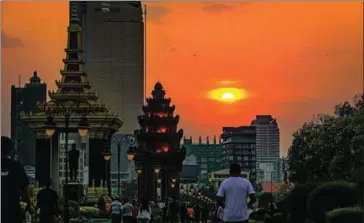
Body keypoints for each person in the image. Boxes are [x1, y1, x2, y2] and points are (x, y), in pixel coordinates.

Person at [1, 136, 31, 223]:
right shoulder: (16, 166)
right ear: (11, 151)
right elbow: (26, 190)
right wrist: (28, 205)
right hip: (12, 213)